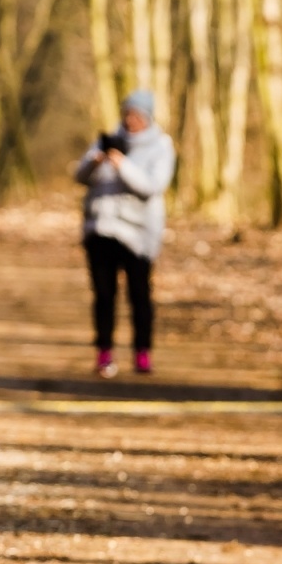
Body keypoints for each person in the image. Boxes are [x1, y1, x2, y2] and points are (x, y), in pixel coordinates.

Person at [73, 90, 176, 378]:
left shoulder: (160, 146)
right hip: (101, 230)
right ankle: (104, 353)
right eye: (127, 114)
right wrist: (96, 160)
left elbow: (151, 187)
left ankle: (143, 353)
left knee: (139, 295)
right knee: (103, 295)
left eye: (136, 115)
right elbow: (80, 177)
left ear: (148, 117)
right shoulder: (108, 140)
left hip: (138, 234)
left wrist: (121, 165)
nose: (130, 120)